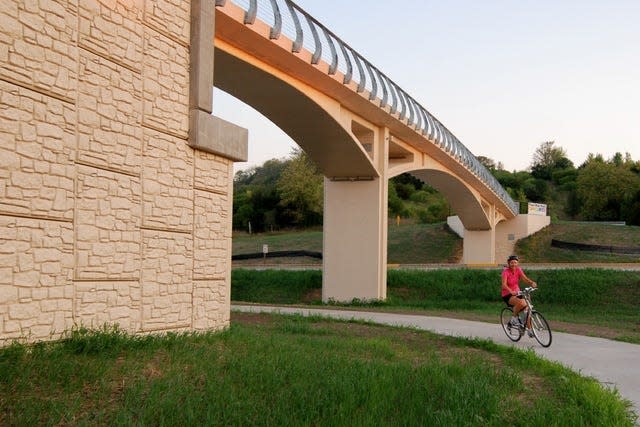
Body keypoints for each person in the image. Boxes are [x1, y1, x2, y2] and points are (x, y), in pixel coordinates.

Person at [501, 255, 537, 330]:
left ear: (517, 263)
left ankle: (529, 330)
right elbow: (504, 285)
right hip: (507, 294)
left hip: (518, 292)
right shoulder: (506, 272)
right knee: (521, 303)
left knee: (527, 310)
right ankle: (513, 320)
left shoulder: (518, 270)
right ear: (509, 263)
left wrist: (531, 283)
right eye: (512, 262)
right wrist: (511, 291)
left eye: (515, 262)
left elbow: (525, 279)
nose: (513, 264)